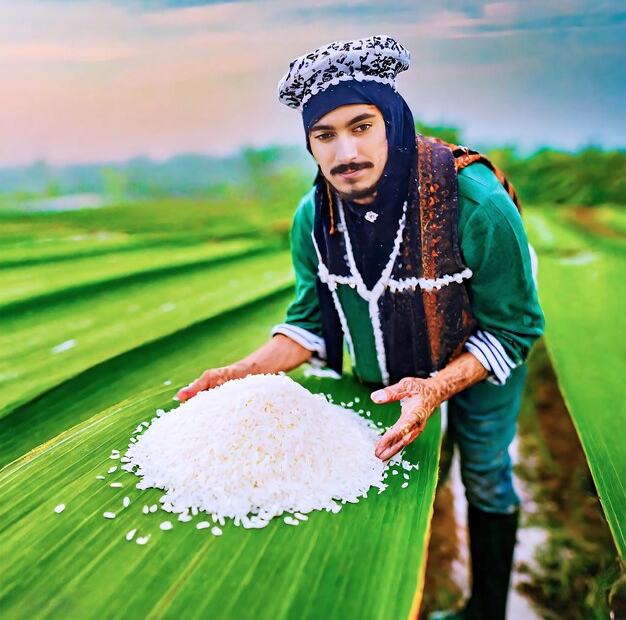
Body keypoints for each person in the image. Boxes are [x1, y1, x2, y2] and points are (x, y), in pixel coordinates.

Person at [177, 35, 544, 620]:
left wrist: (436, 387)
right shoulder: (313, 218)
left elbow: (516, 328)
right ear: (310, 145)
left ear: (393, 122)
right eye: (324, 135)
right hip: (383, 372)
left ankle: (487, 609)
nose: (345, 151)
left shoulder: (474, 204)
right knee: (409, 470)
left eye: (361, 125)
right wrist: (245, 372)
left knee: (486, 469)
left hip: (478, 360)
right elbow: (307, 324)